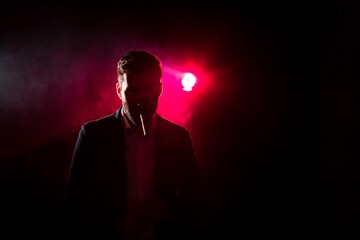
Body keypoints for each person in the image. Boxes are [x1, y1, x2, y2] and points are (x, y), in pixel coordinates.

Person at [63, 50, 203, 240]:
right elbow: (75, 202)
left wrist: (167, 207)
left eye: (149, 90)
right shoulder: (93, 135)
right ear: (119, 90)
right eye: (133, 91)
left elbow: (197, 199)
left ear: (160, 89)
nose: (141, 101)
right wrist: (112, 227)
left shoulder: (179, 137)